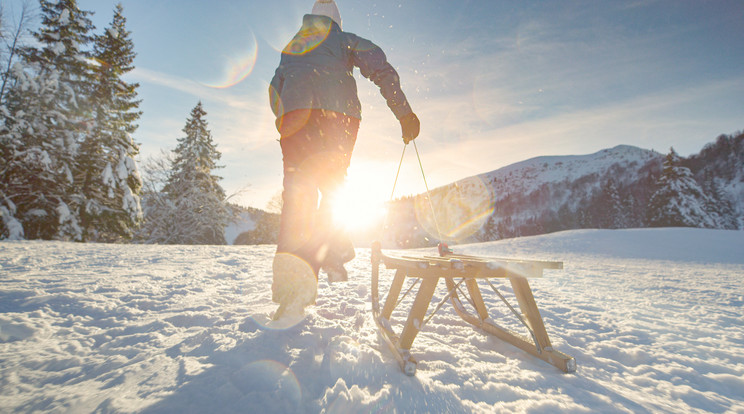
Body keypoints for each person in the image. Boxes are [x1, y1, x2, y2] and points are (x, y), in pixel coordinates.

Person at [268, 0, 420, 319]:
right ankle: (335, 251)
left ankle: (293, 288)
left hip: (295, 120)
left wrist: (287, 117)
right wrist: (404, 113)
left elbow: (274, 88)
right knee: (335, 185)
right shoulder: (344, 39)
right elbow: (380, 68)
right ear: (336, 20)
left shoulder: (292, 47)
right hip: (337, 117)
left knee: (298, 197)